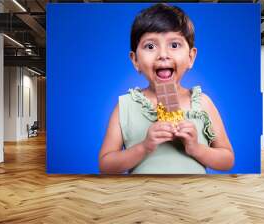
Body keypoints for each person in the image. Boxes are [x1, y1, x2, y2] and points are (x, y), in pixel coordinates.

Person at [99, 3, 234, 174]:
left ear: (191, 57)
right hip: (143, 197)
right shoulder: (125, 105)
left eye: (174, 45)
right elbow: (105, 165)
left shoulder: (203, 103)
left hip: (193, 196)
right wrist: (144, 147)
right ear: (135, 61)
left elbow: (227, 160)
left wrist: (195, 148)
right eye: (150, 46)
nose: (163, 55)